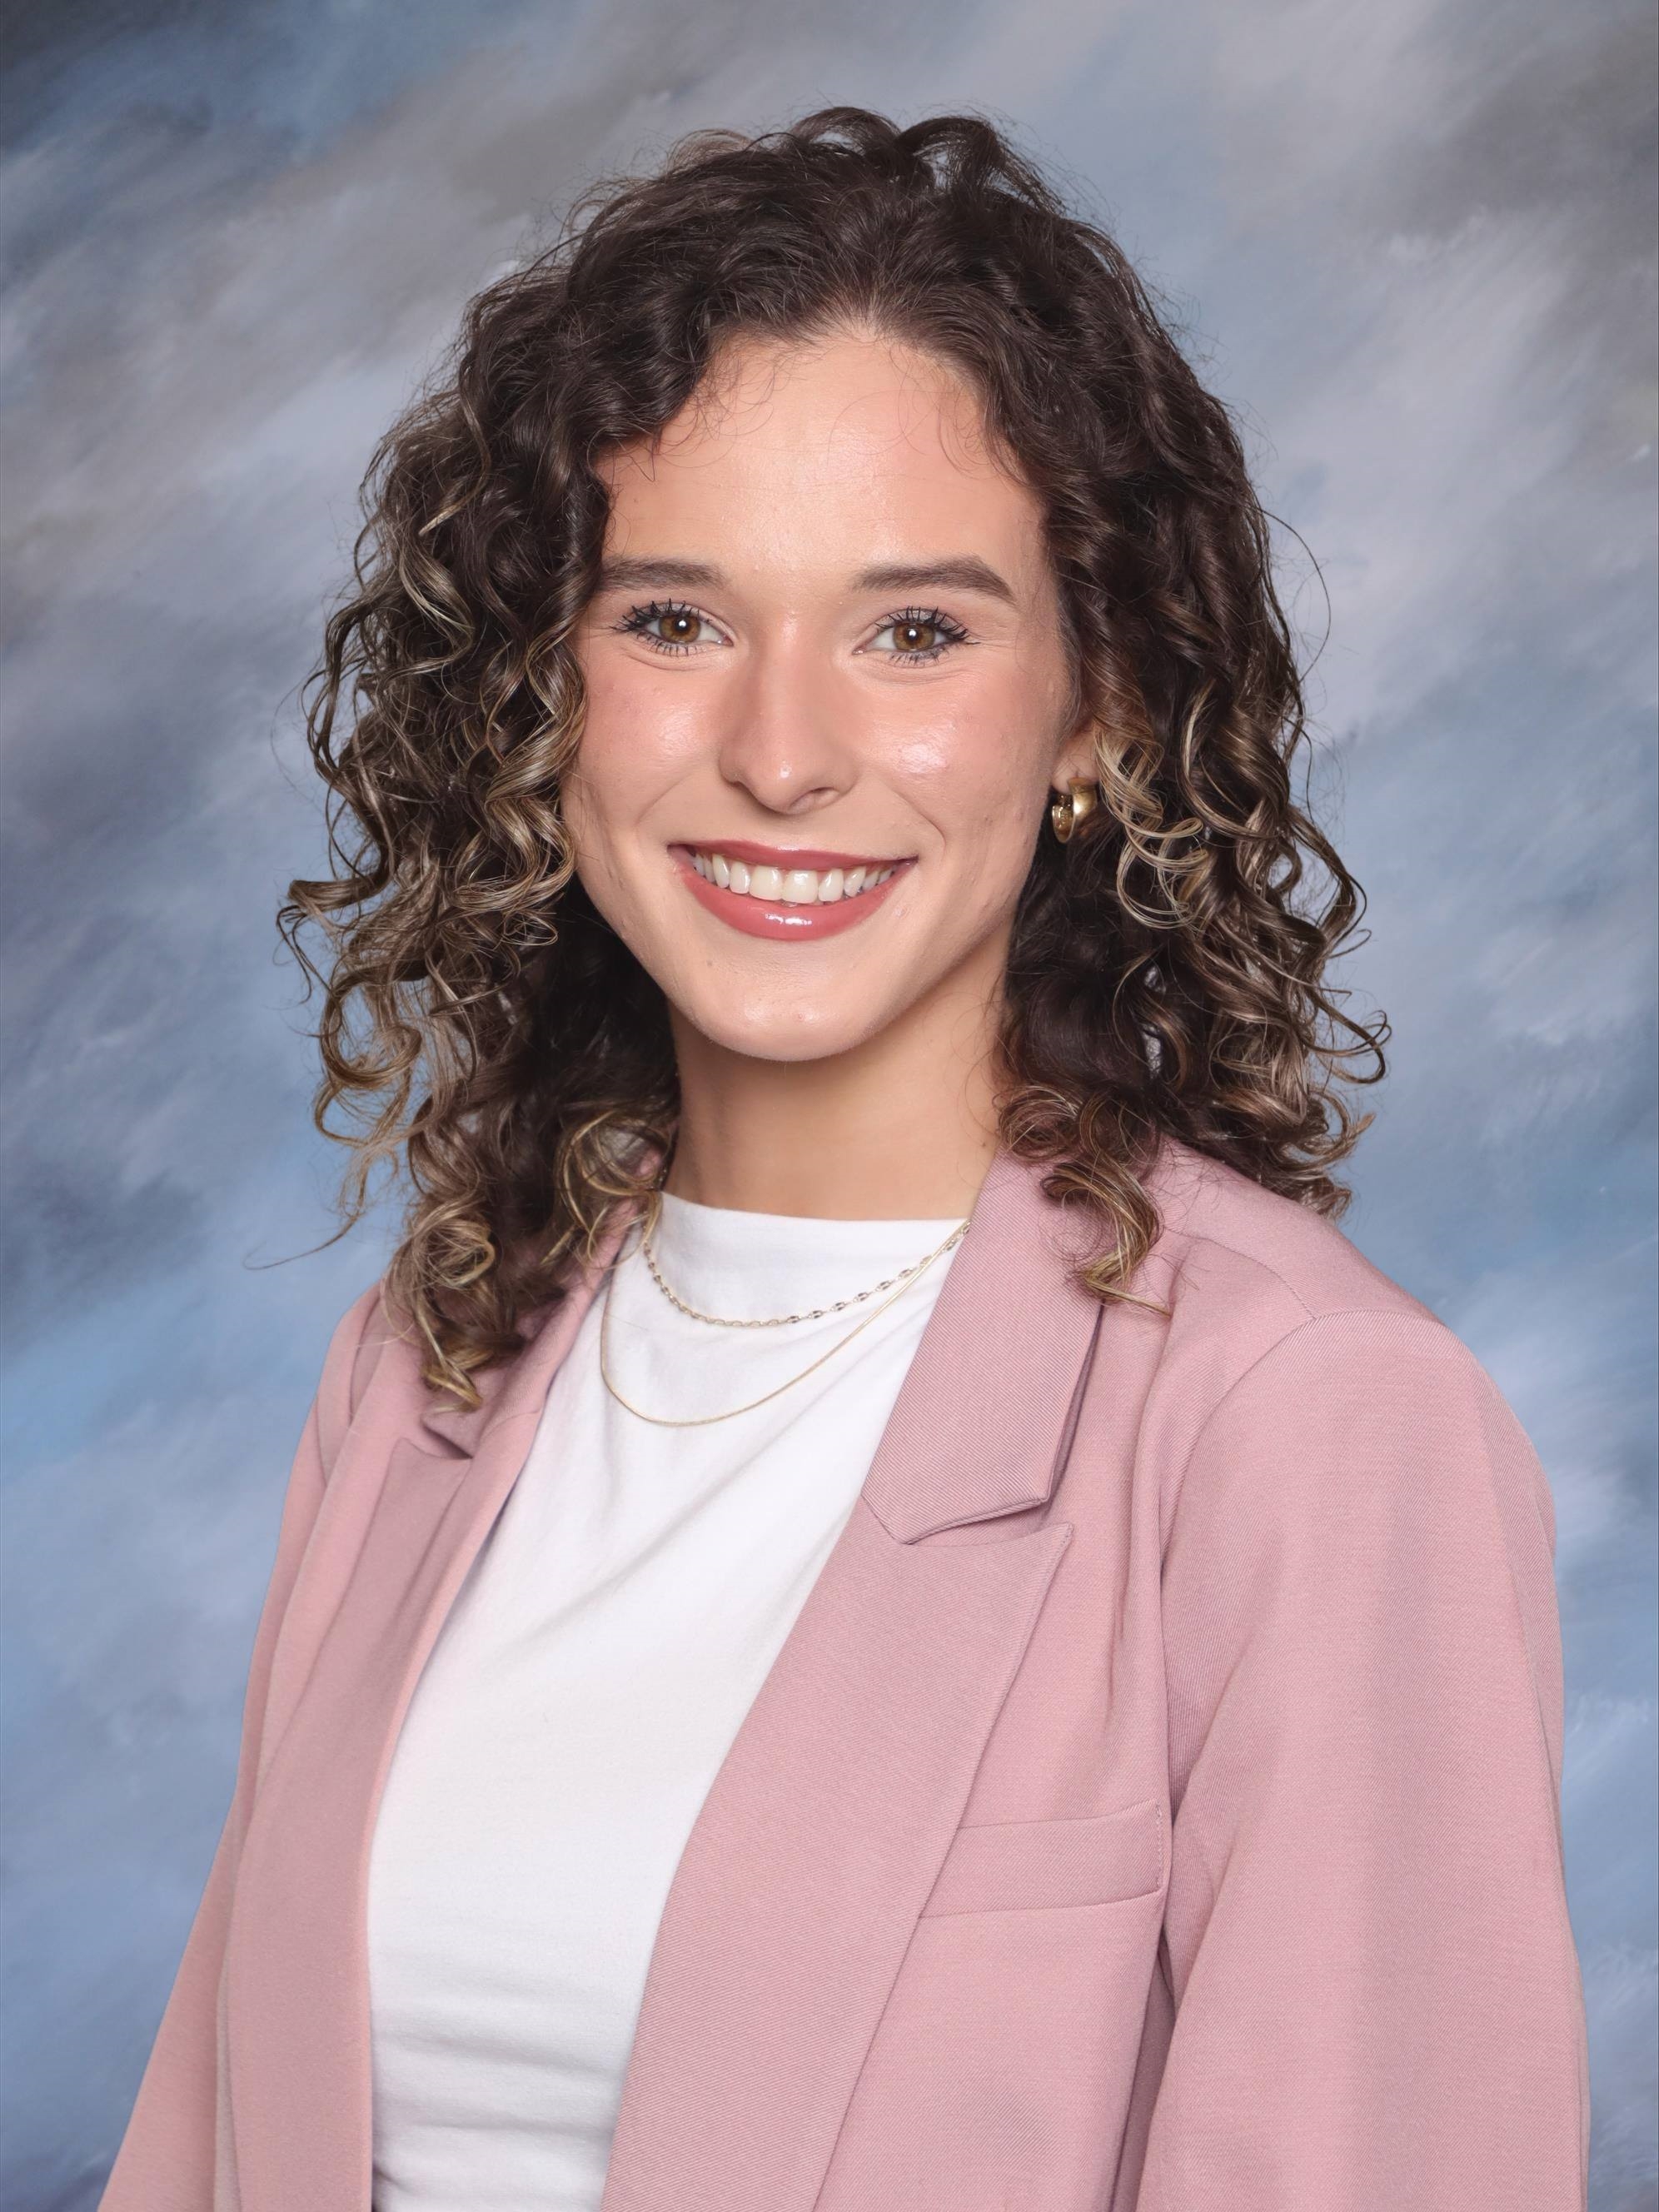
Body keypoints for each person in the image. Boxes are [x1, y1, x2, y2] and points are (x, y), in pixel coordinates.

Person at [100, 109, 1589, 2212]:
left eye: (915, 631)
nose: (783, 752)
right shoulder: (421, 1372)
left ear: (1098, 710)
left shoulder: (1310, 1422)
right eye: (679, 618)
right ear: (547, 692)